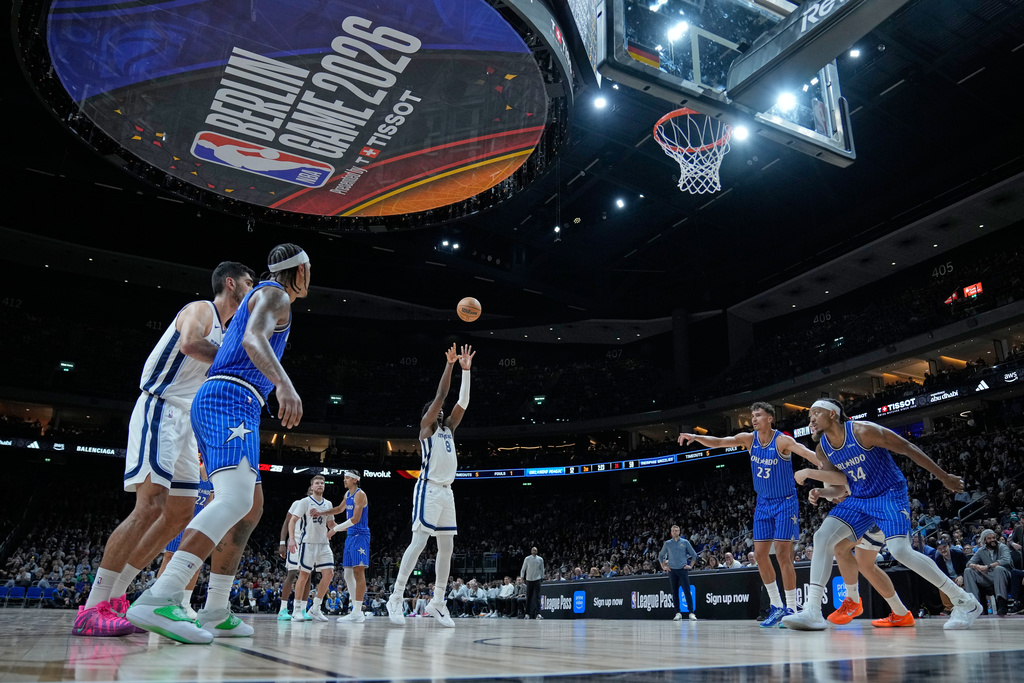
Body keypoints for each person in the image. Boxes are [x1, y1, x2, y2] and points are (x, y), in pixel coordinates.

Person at [127, 244, 310, 644]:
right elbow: (252, 338)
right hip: (230, 399)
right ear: (299, 272)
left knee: (250, 508)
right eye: (308, 269)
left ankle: (215, 609)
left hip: (236, 402)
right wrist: (284, 383)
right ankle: (161, 595)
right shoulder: (274, 293)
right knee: (233, 500)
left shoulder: (266, 296)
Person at [73, 262, 254, 637]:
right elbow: (189, 343)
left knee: (179, 514)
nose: (253, 290)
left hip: (187, 421)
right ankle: (92, 607)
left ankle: (119, 597)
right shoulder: (201, 309)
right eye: (249, 283)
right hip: (162, 407)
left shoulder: (233, 329)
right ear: (231, 283)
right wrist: (233, 361)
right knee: (150, 505)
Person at [781, 400, 982, 631]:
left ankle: (964, 601)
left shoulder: (862, 431)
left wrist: (943, 476)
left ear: (833, 414)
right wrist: (822, 490)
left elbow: (907, 447)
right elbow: (841, 487)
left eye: (816, 413)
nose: (811, 420)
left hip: (888, 494)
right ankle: (813, 611)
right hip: (859, 498)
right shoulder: (823, 447)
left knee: (900, 551)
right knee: (822, 537)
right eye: (809, 416)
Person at [680, 401, 819, 627]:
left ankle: (792, 608)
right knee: (760, 554)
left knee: (784, 555)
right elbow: (718, 442)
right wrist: (696, 438)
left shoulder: (782, 440)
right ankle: (776, 606)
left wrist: (827, 467)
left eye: (758, 415)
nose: (754, 419)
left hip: (785, 502)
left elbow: (806, 452)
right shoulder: (749, 439)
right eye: (752, 415)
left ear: (770, 418)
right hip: (763, 503)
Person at [385, 344, 474, 628]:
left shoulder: (448, 428)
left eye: (440, 411)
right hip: (428, 489)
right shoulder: (426, 428)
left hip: (447, 492)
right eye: (435, 410)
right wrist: (449, 365)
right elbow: (442, 395)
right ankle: (396, 597)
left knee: (446, 548)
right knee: (420, 542)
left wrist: (467, 371)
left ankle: (437, 602)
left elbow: (462, 402)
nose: (440, 411)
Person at [797, 467, 916, 627]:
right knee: (866, 566)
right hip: (869, 511)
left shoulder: (839, 459)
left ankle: (852, 599)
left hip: (872, 510)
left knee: (840, 548)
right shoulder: (829, 464)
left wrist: (809, 473)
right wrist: (821, 491)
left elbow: (843, 484)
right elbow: (839, 490)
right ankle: (901, 613)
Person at [155, 460, 214, 620]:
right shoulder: (191, 472)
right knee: (168, 557)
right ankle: (157, 599)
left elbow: (210, 506)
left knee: (196, 563)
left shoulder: (212, 481)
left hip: (196, 526)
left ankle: (185, 603)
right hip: (180, 523)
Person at [313, 469, 369, 623]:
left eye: (347, 478)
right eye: (344, 477)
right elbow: (338, 509)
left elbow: (356, 519)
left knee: (358, 572)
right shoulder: (348, 494)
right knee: (347, 574)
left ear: (355, 480)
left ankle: (358, 611)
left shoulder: (360, 494)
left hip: (360, 536)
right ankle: (354, 610)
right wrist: (322, 512)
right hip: (350, 536)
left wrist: (334, 530)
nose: (344, 480)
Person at [287, 474, 336, 622]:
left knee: (329, 574)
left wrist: (345, 527)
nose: (320, 485)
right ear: (312, 487)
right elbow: (292, 521)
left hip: (323, 544)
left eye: (322, 483)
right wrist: (291, 539)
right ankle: (296, 610)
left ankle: (315, 608)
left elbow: (331, 525)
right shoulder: (305, 502)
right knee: (304, 575)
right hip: (307, 543)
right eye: (317, 483)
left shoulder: (328, 504)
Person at [964, 528, 1012, 615]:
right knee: (968, 571)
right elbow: (969, 563)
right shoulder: (981, 550)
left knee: (998, 568)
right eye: (989, 538)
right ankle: (975, 604)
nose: (992, 540)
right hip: (990, 576)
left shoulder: (1002, 547)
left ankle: (1002, 604)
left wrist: (988, 566)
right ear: (984, 540)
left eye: (994, 538)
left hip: (1005, 575)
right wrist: (976, 566)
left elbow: (1006, 560)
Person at [276, 491, 308, 620]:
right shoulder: (298, 503)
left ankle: (302, 609)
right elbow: (286, 522)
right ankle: (283, 609)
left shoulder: (318, 507)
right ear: (307, 492)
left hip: (309, 543)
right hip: (295, 542)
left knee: (307, 575)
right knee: (292, 574)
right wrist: (282, 542)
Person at [659, 525, 698, 621]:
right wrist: (663, 567)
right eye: (673, 531)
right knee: (674, 592)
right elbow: (660, 555)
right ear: (671, 532)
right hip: (672, 570)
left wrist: (691, 566)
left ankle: (691, 612)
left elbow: (694, 554)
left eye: (676, 530)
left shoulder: (685, 542)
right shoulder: (667, 543)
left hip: (682, 569)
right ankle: (677, 612)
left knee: (687, 591)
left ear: (679, 532)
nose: (675, 532)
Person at [521, 547, 544, 620]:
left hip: (537, 579)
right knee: (529, 597)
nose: (535, 551)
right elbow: (523, 569)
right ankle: (527, 614)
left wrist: (542, 577)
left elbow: (542, 569)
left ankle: (538, 614)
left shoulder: (540, 559)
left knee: (537, 597)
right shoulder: (527, 559)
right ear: (531, 551)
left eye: (536, 550)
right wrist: (522, 577)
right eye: (533, 550)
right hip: (529, 580)